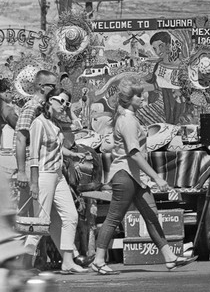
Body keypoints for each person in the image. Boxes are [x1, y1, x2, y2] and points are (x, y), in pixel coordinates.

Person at [90, 76, 198, 275]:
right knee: (114, 218)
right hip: (125, 174)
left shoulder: (128, 118)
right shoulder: (128, 121)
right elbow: (134, 153)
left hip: (135, 176)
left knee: (151, 215)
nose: (143, 98)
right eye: (139, 95)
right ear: (129, 99)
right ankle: (98, 260)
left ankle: (169, 257)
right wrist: (157, 177)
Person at [23, 88, 89, 274]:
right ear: (50, 100)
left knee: (70, 216)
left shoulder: (54, 123)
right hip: (43, 175)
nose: (65, 106)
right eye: (62, 101)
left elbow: (58, 149)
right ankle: (23, 264)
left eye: (68, 103)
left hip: (58, 175)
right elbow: (34, 155)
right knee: (41, 222)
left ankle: (67, 261)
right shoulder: (39, 123)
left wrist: (74, 155)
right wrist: (34, 183)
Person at [15, 70, 58, 192]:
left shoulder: (42, 107)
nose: (55, 89)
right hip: (30, 165)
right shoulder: (32, 107)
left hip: (40, 164)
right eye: (52, 86)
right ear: (41, 87)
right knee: (26, 208)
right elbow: (20, 139)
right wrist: (22, 171)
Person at [146, 31, 186, 125]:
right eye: (155, 48)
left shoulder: (181, 64)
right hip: (164, 102)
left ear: (168, 44)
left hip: (180, 101)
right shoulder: (158, 65)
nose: (158, 51)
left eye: (161, 46)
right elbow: (153, 84)